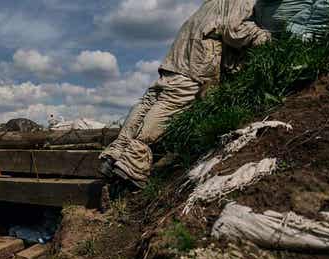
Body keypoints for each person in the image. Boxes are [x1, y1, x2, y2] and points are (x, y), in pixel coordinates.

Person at [99, 0, 271, 188]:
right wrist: (265, 37)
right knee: (168, 107)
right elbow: (234, 28)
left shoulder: (211, 3)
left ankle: (115, 154)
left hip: (176, 59)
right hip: (195, 65)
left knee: (149, 102)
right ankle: (132, 164)